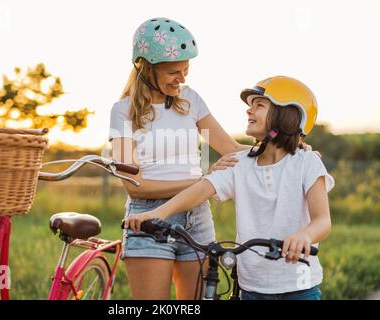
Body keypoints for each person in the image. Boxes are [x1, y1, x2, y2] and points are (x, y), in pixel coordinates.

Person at [123, 76, 334, 300]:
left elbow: (322, 221)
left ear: (289, 116)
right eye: (250, 105)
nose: (249, 111)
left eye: (259, 105)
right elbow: (200, 191)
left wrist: (305, 235)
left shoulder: (306, 162)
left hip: (299, 285)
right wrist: (158, 213)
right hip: (252, 288)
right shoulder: (240, 163)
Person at [108, 17, 250, 300]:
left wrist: (288, 149)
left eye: (186, 70)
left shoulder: (191, 100)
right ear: (146, 67)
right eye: (174, 71)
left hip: (196, 218)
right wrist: (201, 182)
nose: (182, 78)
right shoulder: (122, 111)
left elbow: (231, 149)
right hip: (146, 217)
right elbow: (135, 185)